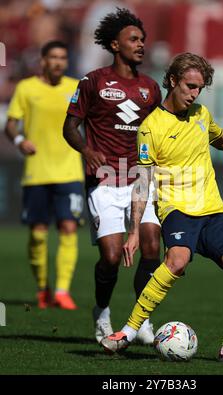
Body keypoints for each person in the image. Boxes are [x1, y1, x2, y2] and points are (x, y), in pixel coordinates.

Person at [101, 52, 223, 363]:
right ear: (173, 81)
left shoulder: (201, 114)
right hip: (177, 208)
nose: (195, 93)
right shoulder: (151, 128)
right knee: (177, 259)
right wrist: (134, 230)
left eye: (200, 88)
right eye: (190, 86)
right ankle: (129, 331)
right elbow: (143, 180)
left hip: (213, 208)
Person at [63, 8, 161, 345]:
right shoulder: (92, 82)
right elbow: (70, 127)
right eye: (133, 39)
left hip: (139, 179)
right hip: (104, 180)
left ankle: (141, 318)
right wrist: (87, 151)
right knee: (111, 256)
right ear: (114, 44)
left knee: (151, 246)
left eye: (142, 39)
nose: (141, 44)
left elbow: (158, 133)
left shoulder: (151, 88)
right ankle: (102, 312)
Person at [5, 41, 84, 310]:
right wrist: (19, 142)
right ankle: (42, 288)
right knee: (38, 234)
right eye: (53, 57)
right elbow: (11, 124)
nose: (58, 62)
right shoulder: (27, 88)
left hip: (70, 171)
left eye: (63, 57)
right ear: (43, 60)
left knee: (69, 227)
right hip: (37, 172)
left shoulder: (76, 87)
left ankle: (62, 291)